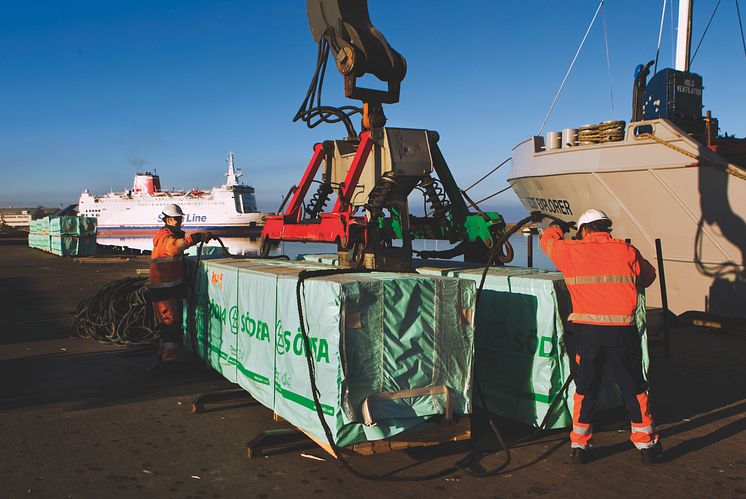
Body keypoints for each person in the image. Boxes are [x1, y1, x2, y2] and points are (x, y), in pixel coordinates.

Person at [539, 208, 662, 464]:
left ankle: (579, 446)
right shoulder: (626, 251)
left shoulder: (571, 252)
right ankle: (646, 445)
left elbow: (547, 241)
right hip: (622, 334)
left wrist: (558, 227)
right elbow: (648, 277)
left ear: (583, 230)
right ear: (607, 228)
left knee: (586, 389)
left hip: (589, 334)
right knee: (634, 388)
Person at [149, 204, 213, 362]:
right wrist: (197, 237)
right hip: (164, 289)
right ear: (168, 219)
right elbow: (175, 248)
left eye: (181, 219)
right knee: (170, 324)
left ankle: (164, 353)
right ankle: (169, 360)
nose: (180, 222)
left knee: (167, 323)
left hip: (168, 288)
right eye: (177, 219)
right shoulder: (165, 237)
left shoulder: (167, 235)